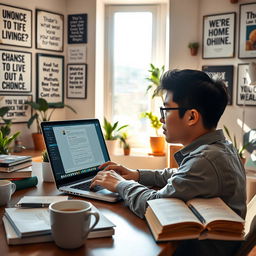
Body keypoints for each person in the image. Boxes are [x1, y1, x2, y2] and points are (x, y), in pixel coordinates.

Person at [90, 69, 246, 256]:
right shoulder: (220, 148)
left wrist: (121, 184)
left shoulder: (205, 160)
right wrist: (137, 175)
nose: (161, 118)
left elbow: (155, 206)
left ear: (191, 117)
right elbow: (180, 175)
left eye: (165, 109)